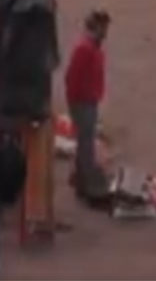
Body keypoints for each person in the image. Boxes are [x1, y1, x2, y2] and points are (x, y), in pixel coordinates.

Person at [63, 10, 110, 195]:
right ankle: (85, 182)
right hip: (83, 102)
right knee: (86, 142)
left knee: (85, 140)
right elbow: (72, 78)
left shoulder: (92, 47)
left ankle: (79, 176)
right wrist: (75, 102)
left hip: (88, 100)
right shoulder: (85, 49)